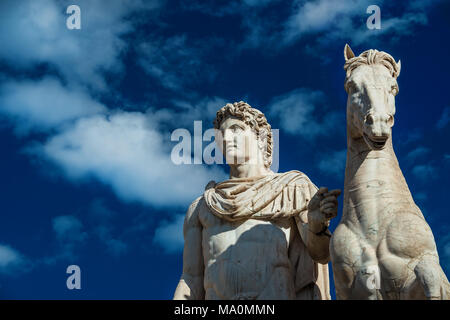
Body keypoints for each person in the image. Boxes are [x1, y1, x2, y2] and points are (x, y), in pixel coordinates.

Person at [173, 101, 341, 300]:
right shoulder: (203, 207)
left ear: (261, 138)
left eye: (236, 129)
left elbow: (322, 254)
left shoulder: (291, 188)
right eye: (220, 135)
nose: (226, 138)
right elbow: (191, 279)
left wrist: (316, 225)